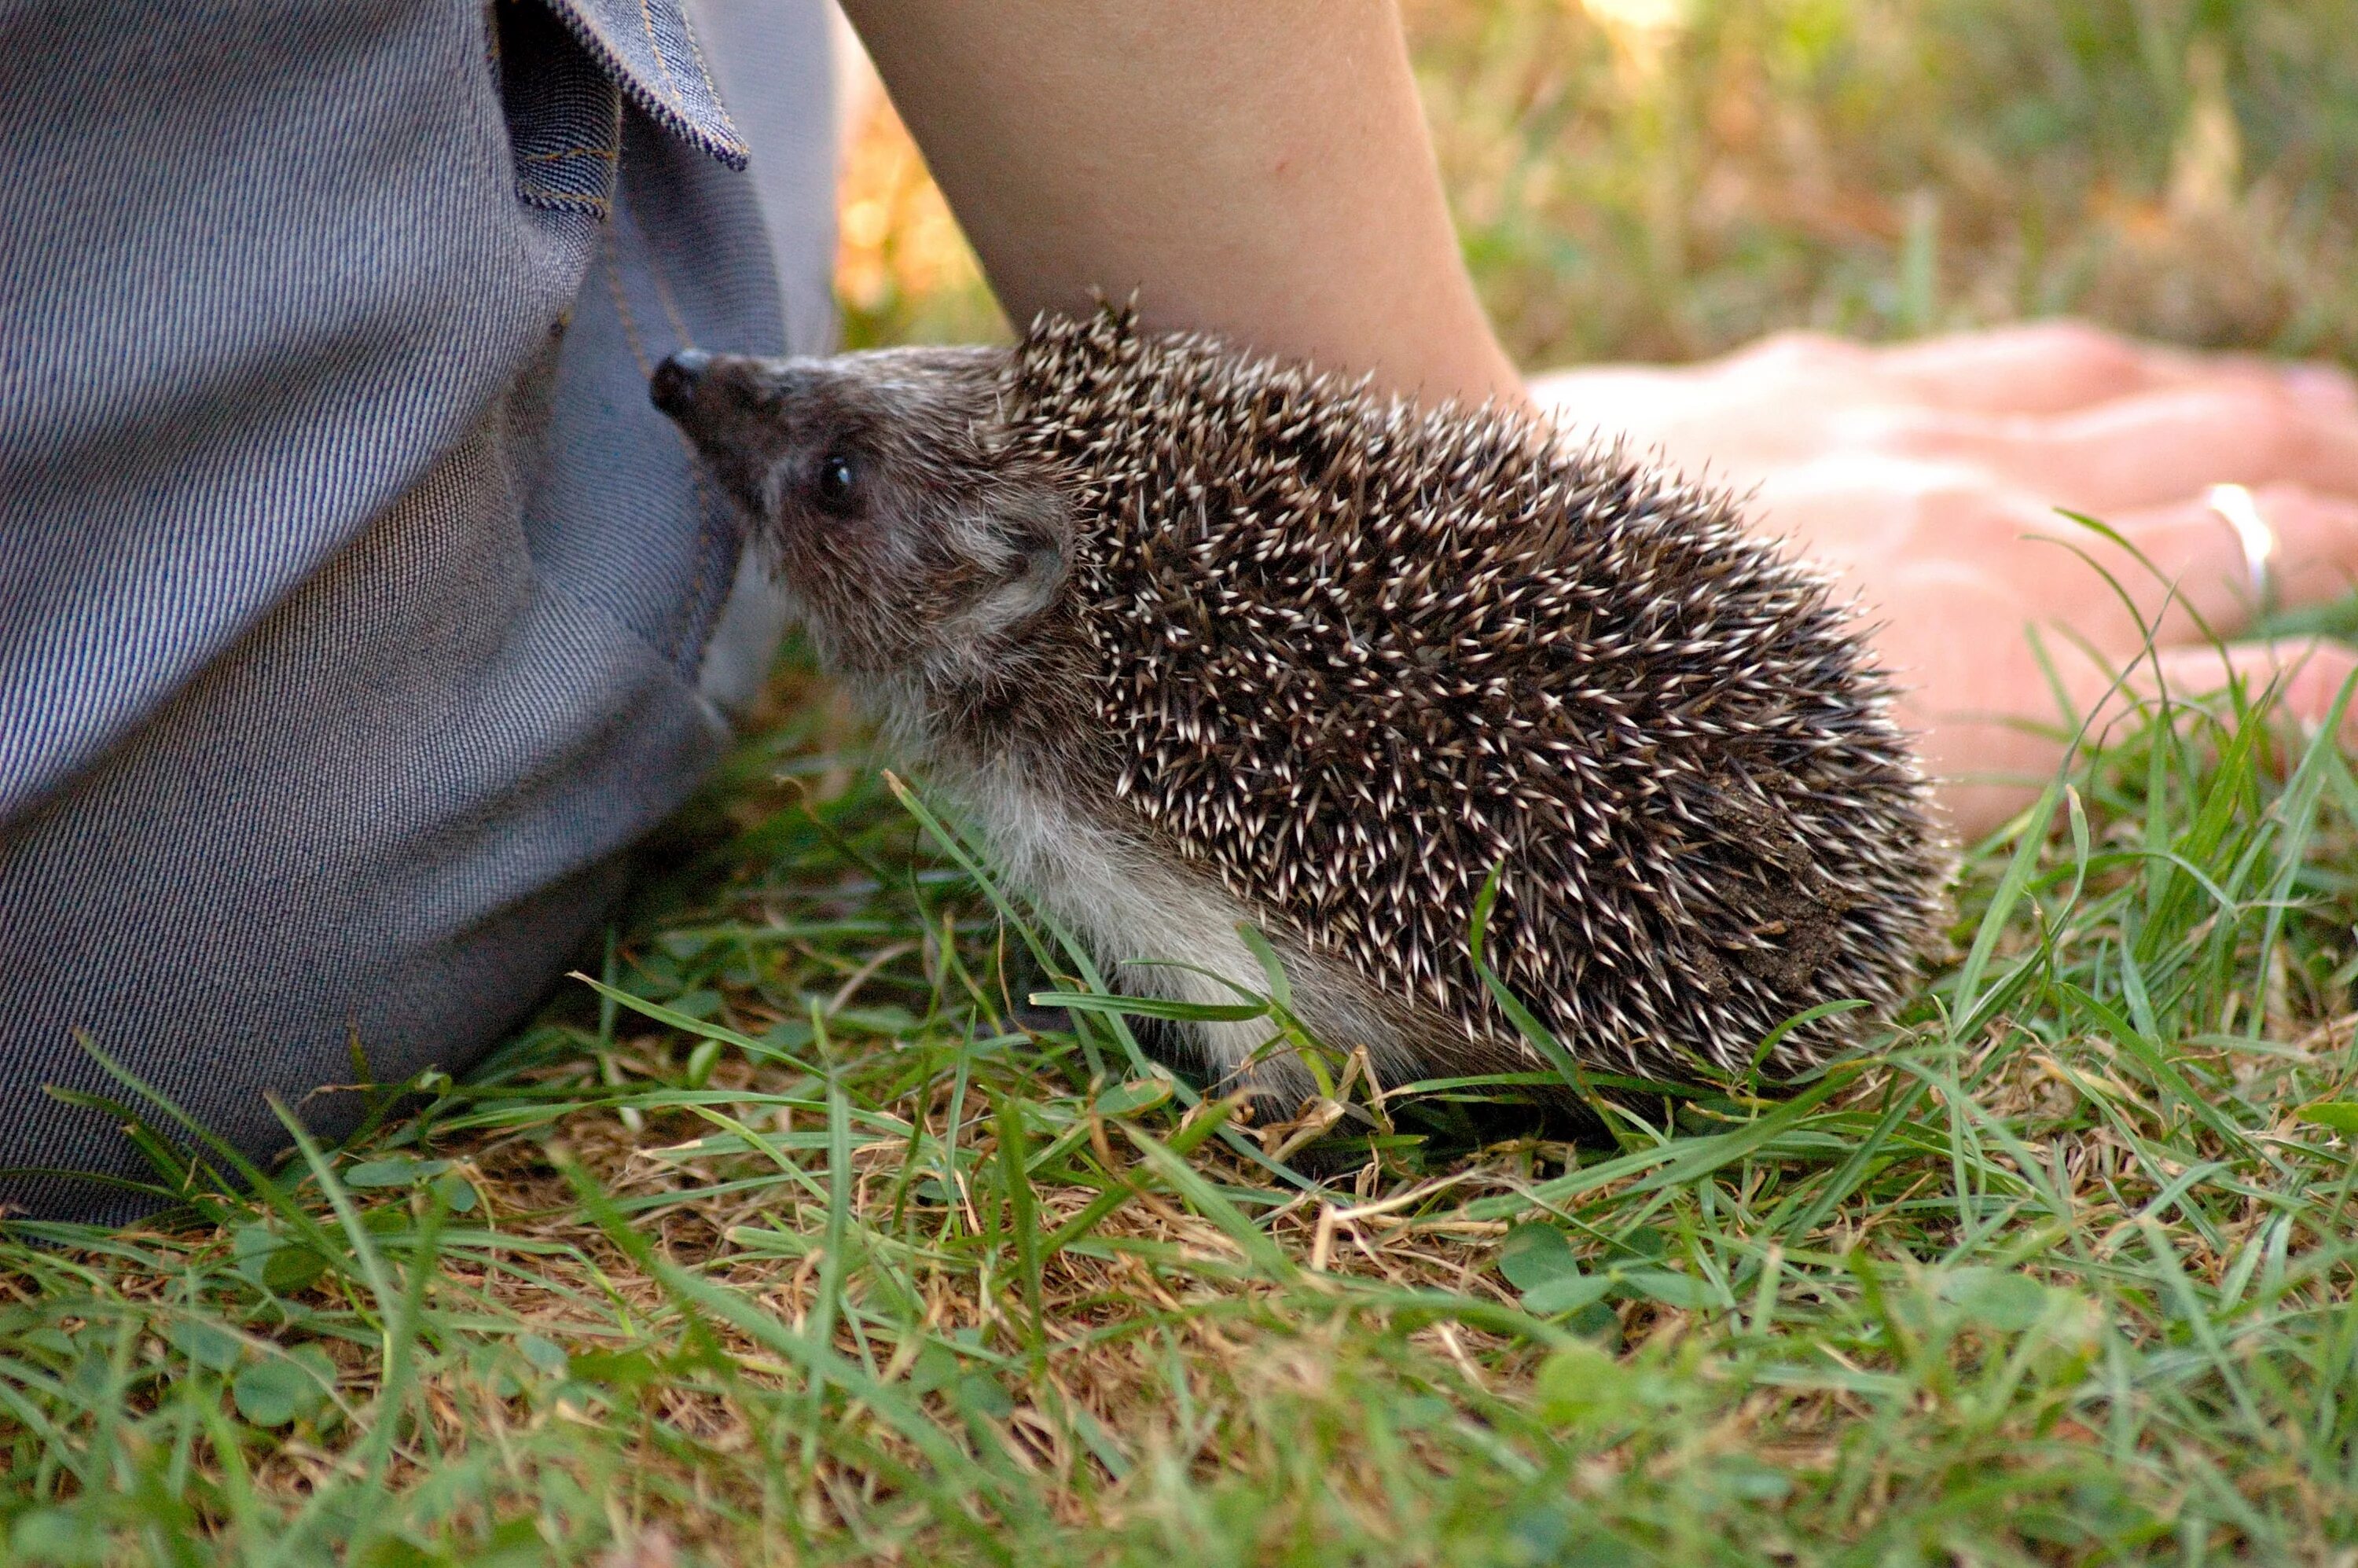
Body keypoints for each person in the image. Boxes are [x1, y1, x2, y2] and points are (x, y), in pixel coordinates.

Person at [4, 0, 2354, 1224]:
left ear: (1012, 600)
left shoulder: (1062, 742)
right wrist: (1408, 431)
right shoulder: (1046, 660)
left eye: (814, 474)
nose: (716, 413)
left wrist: (1425, 505)